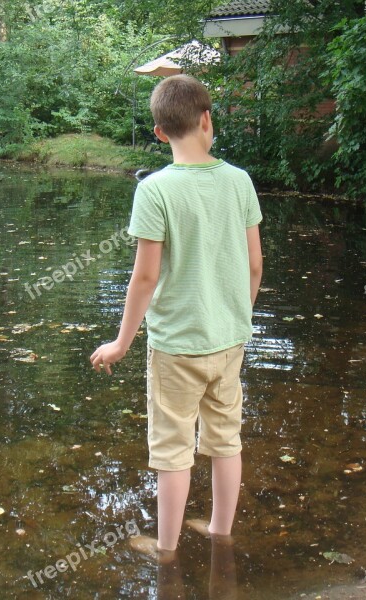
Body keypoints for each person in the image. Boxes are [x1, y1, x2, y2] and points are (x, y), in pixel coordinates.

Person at [89, 74, 263, 556]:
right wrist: (237, 321)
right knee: (226, 439)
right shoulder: (240, 181)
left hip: (175, 345)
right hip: (230, 341)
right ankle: (220, 531)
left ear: (160, 132)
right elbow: (254, 265)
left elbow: (145, 278)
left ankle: (165, 550)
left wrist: (122, 342)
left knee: (172, 449)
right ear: (208, 120)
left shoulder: (155, 190)